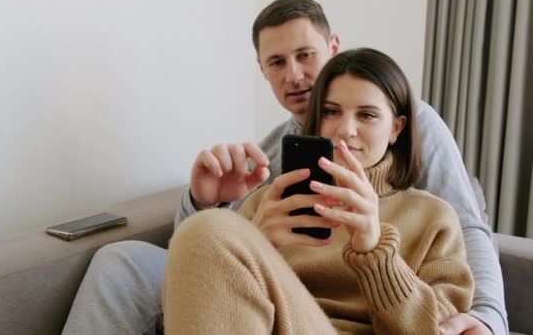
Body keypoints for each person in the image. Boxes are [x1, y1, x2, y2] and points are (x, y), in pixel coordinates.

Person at [62, 0, 507, 335]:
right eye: (277, 62)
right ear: (262, 69)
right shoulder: (276, 153)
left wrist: (487, 319)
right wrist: (205, 202)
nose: (293, 75)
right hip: (276, 307)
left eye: (305, 56)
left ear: (396, 126)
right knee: (129, 255)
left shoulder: (425, 188)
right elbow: (210, 250)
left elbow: (468, 231)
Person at [163, 47, 475, 334]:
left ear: (396, 128)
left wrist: (376, 252)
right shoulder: (269, 202)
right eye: (331, 112)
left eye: (366, 115)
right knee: (206, 228)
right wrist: (257, 243)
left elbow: (436, 328)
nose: (345, 130)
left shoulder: (434, 218)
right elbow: (200, 303)